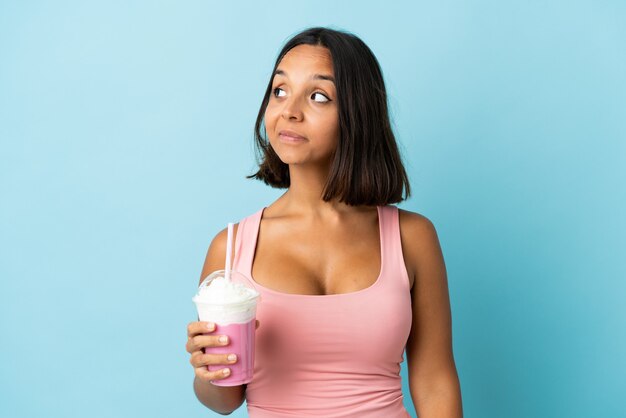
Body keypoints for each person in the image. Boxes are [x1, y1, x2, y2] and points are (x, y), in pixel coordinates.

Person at [185, 26, 463, 417]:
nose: (289, 111)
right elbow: (225, 400)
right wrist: (206, 372)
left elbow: (435, 381)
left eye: (318, 96)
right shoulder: (230, 249)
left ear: (356, 113)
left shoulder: (411, 237)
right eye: (279, 91)